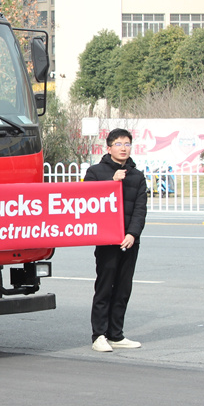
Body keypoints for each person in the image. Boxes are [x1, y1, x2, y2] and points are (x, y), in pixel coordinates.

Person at [83, 128, 148, 352]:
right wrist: (112, 182)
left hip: (128, 241)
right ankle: (98, 335)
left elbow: (140, 209)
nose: (123, 148)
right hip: (106, 239)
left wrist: (132, 234)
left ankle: (116, 334)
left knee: (123, 289)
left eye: (127, 144)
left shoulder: (137, 176)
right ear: (108, 148)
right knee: (105, 287)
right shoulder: (96, 172)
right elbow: (85, 201)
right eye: (118, 144)